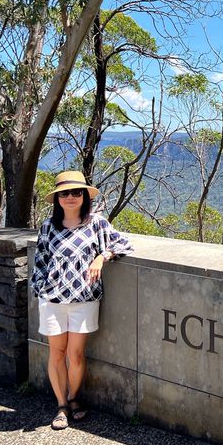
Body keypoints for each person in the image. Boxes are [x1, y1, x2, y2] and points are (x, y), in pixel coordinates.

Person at [29, 171, 133, 430]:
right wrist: (41, 288)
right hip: (52, 300)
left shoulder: (96, 223)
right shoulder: (48, 226)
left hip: (84, 298)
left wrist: (102, 256)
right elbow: (40, 261)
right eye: (65, 193)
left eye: (77, 192)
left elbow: (124, 244)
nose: (71, 197)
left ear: (85, 196)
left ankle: (74, 398)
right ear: (57, 199)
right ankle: (61, 405)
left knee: (76, 354)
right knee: (57, 353)